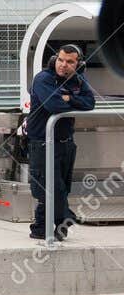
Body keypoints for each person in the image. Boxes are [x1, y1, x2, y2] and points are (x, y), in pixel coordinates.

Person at [25, 43, 96, 242]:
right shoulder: (43, 79)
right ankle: (67, 218)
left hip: (66, 142)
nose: (63, 65)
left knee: (61, 187)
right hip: (43, 142)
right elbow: (55, 104)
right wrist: (71, 99)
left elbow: (90, 102)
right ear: (55, 58)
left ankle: (40, 228)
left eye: (69, 62)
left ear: (78, 64)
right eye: (60, 59)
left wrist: (68, 96)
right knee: (50, 188)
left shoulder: (77, 80)